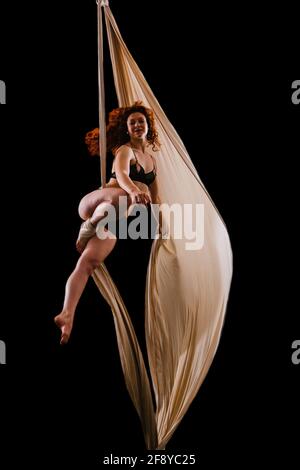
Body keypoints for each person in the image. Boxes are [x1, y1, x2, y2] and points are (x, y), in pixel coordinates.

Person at [54, 102, 161, 345]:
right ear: (127, 128)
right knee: (127, 196)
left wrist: (161, 226)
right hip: (97, 202)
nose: (136, 125)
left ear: (147, 127)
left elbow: (156, 198)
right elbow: (123, 176)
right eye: (132, 122)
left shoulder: (152, 161)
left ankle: (67, 313)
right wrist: (134, 190)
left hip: (115, 219)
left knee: (88, 263)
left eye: (140, 121)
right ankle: (89, 225)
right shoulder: (125, 150)